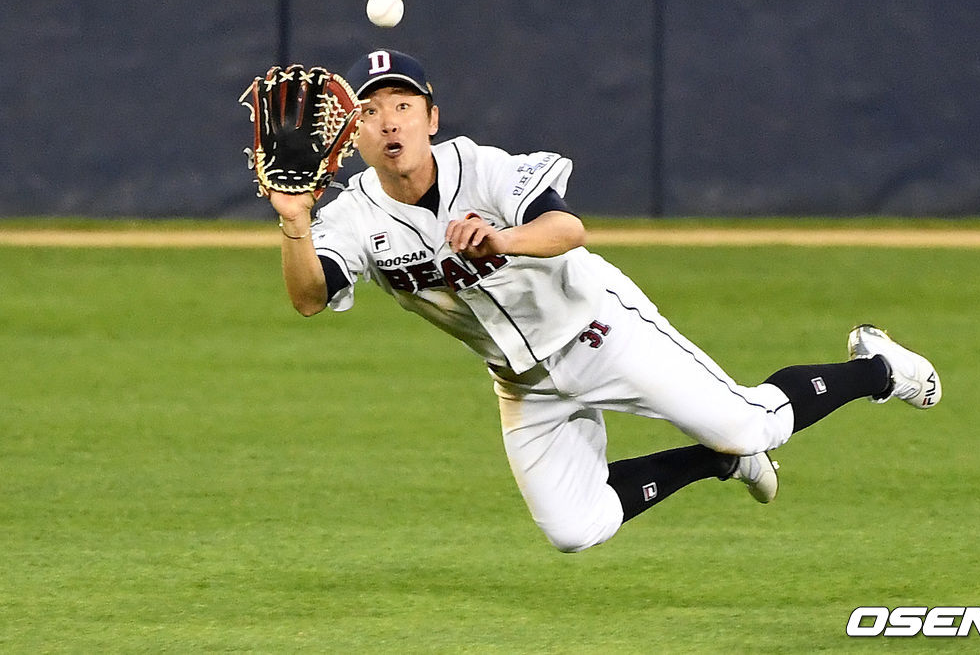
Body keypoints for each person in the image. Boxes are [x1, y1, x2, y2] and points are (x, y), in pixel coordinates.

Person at [267, 48, 942, 553]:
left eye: (405, 105)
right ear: (350, 134)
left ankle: (878, 368)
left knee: (751, 422)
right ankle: (716, 460)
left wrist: (503, 237)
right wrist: (294, 220)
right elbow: (308, 296)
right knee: (574, 527)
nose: (392, 121)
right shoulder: (352, 215)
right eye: (375, 109)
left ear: (432, 118)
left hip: (600, 328)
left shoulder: (487, 167)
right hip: (522, 380)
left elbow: (568, 229)